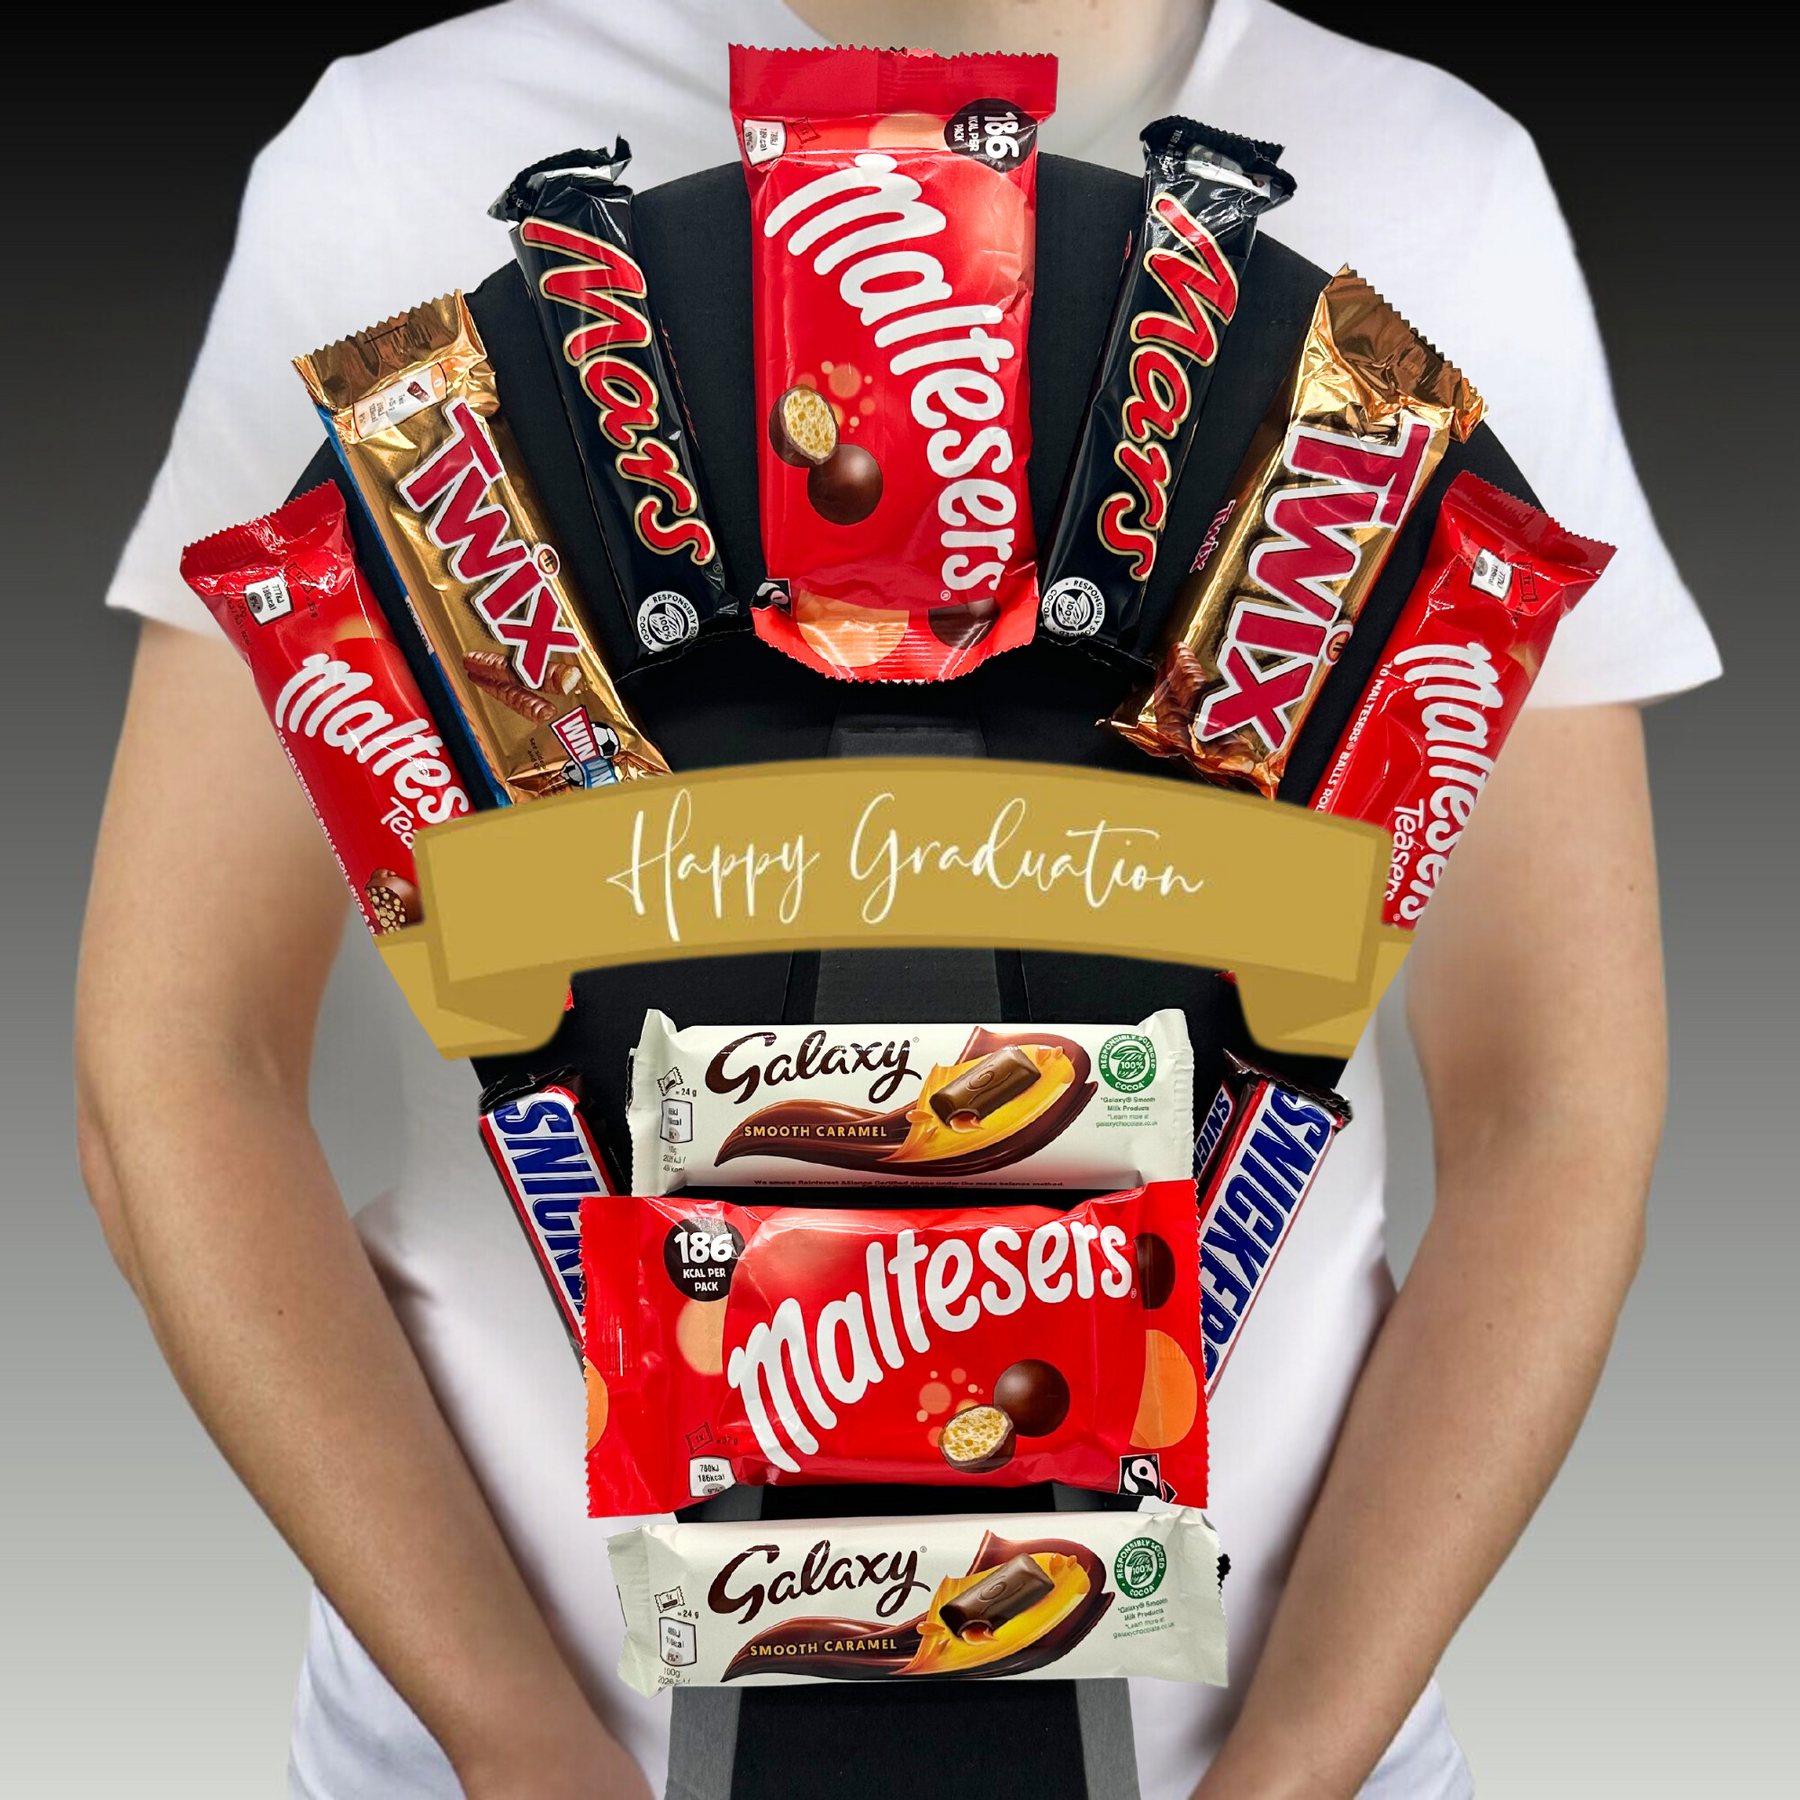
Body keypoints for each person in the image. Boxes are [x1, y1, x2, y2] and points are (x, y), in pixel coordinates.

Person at [75, 2, 1718, 1797]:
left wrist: (1300, 1763)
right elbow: (176, 1063)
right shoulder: (396, 146)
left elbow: (1558, 1107)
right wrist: (511, 1740)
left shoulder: (1440, 181)